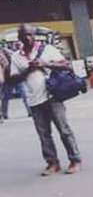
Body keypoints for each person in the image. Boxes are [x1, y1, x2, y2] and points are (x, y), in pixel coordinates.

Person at [8, 24, 82, 176]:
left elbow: (66, 66)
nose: (28, 38)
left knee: (64, 130)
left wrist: (45, 64)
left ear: (34, 35)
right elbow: (13, 79)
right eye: (24, 35)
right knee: (43, 134)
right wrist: (29, 69)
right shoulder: (16, 57)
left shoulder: (47, 49)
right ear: (20, 38)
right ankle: (52, 163)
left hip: (52, 96)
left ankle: (75, 160)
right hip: (34, 99)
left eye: (30, 35)